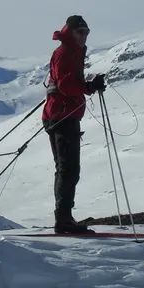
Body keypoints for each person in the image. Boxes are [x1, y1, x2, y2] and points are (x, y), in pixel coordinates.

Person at [43, 15, 106, 234]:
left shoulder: (73, 52)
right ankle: (63, 221)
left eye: (86, 32)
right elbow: (67, 86)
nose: (84, 36)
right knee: (68, 169)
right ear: (70, 33)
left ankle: (65, 219)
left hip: (63, 114)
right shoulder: (65, 53)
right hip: (61, 115)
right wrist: (89, 87)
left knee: (68, 169)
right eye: (80, 32)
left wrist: (87, 86)